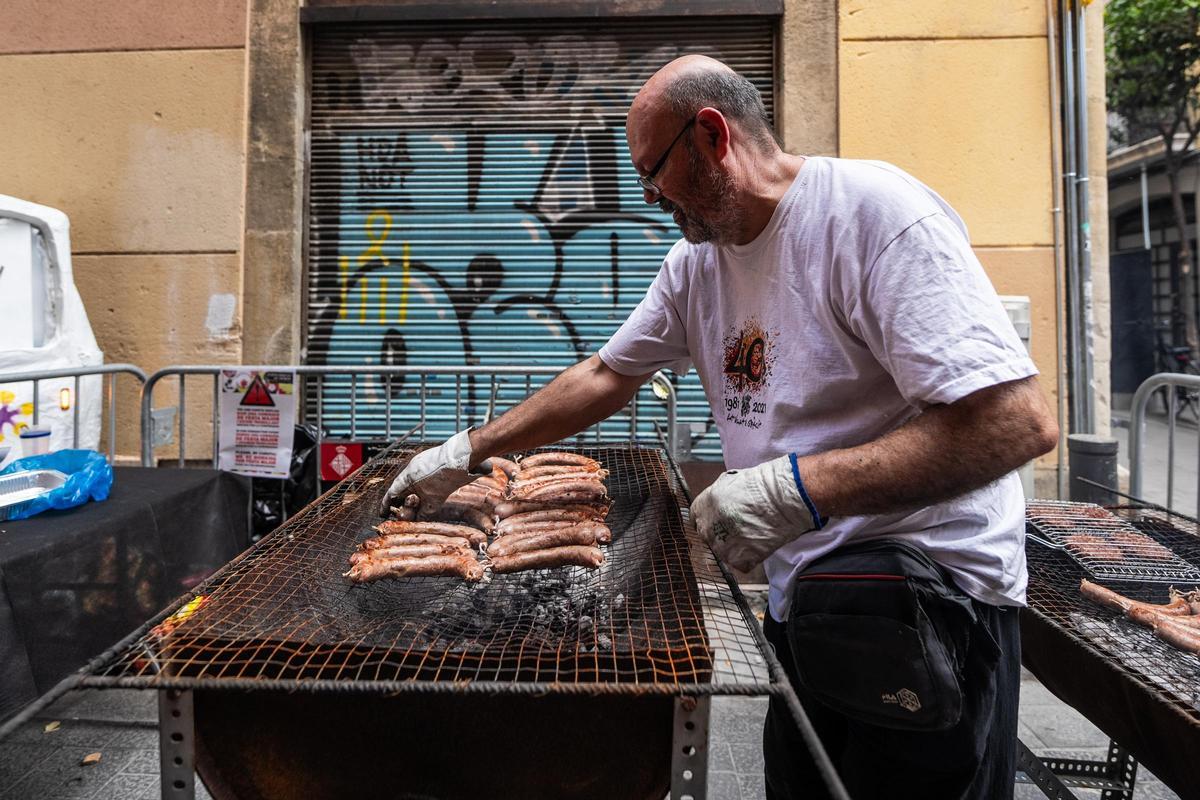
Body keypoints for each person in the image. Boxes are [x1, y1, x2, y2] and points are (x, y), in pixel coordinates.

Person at [381, 55, 1058, 799]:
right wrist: (467, 449)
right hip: (807, 600)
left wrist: (793, 489)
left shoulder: (873, 216)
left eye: (655, 172)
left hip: (930, 609)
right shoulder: (694, 266)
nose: (648, 197)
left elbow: (1014, 422)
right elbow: (608, 374)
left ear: (711, 135)